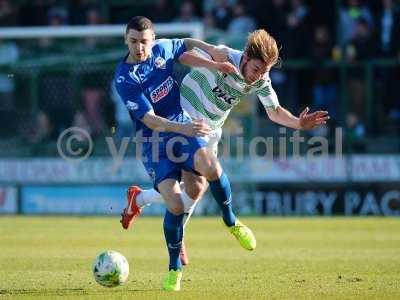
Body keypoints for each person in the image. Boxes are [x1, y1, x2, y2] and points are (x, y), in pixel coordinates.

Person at [125, 29, 330, 264]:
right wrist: (206, 62)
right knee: (194, 184)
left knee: (196, 189)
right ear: (244, 57)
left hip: (210, 131)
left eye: (265, 71)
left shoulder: (261, 79)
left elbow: (274, 112)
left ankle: (139, 199)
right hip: (184, 121)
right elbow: (183, 54)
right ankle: (178, 233)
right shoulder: (222, 55)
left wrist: (298, 124)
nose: (258, 76)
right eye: (256, 69)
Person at [115, 16, 255, 292]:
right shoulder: (124, 78)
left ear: (152, 40)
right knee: (177, 205)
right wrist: (185, 128)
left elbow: (186, 44)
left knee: (210, 170)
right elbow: (151, 120)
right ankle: (173, 269)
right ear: (125, 40)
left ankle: (231, 222)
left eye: (144, 41)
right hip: (154, 142)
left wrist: (213, 55)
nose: (139, 48)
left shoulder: (161, 49)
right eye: (133, 41)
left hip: (181, 127)